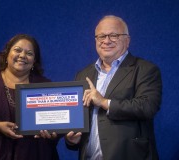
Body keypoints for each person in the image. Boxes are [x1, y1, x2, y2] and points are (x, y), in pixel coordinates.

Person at [65, 15, 162, 160]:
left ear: (127, 40)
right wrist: (72, 140)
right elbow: (78, 118)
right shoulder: (83, 74)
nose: (106, 40)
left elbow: (147, 107)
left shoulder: (145, 69)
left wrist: (104, 102)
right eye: (101, 36)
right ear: (95, 41)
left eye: (114, 35)